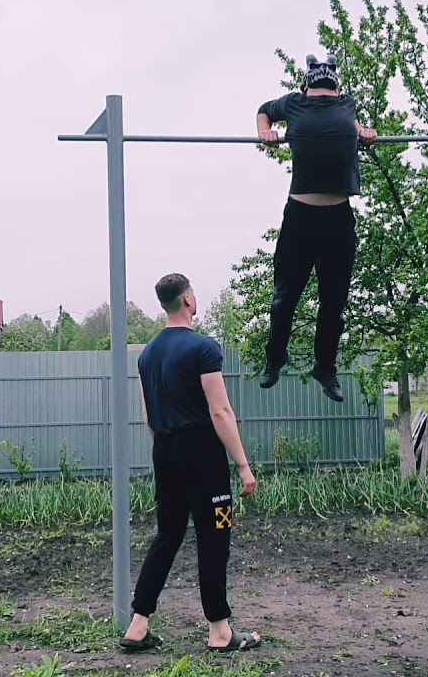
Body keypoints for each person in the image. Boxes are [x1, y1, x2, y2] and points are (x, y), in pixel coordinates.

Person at [119, 273, 263, 654]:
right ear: (187, 300)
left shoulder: (148, 355)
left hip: (164, 451)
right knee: (215, 536)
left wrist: (167, 451)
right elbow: (220, 411)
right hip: (203, 455)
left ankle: (138, 625)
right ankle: (220, 632)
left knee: (168, 535)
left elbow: (148, 416)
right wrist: (243, 465)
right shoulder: (203, 348)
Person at [255, 53, 377, 402]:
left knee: (334, 303)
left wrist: (364, 132)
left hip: (338, 217)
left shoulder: (347, 104)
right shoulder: (293, 103)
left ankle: (325, 367)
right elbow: (263, 110)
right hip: (301, 217)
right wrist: (265, 132)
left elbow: (355, 125)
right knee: (284, 298)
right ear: (307, 84)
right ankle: (275, 358)